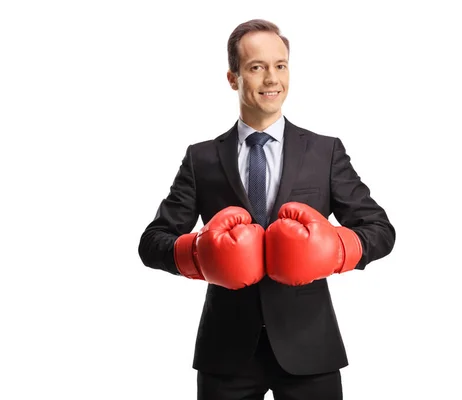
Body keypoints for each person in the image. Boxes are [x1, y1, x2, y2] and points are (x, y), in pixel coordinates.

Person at [138, 18, 396, 400]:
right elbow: (152, 242)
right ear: (233, 78)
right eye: (257, 67)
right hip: (225, 351)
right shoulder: (202, 158)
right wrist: (197, 253)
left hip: (310, 347)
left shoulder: (324, 152)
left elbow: (379, 229)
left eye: (280, 65)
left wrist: (335, 250)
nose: (272, 79)